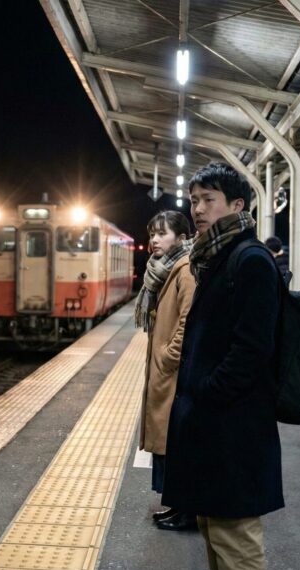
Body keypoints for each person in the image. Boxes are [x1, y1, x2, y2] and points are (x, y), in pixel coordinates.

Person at [162, 163, 282, 570]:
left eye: (208, 200)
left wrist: (210, 393)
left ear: (237, 204)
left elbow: (253, 348)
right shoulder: (215, 256)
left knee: (235, 538)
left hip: (234, 425)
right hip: (213, 423)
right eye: (194, 200)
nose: (197, 209)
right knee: (215, 527)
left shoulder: (249, 260)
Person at [134, 211, 196, 531]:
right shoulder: (165, 270)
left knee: (175, 444)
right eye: (152, 234)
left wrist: (168, 356)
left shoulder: (184, 270)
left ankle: (186, 509)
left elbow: (188, 319)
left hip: (173, 372)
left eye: (162, 233)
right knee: (169, 444)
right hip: (166, 371)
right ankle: (178, 504)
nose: (155, 240)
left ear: (182, 238)